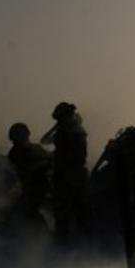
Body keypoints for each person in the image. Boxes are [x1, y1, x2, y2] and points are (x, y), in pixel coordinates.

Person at [47, 102, 92, 245]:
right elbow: (47, 141)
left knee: (70, 212)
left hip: (71, 176)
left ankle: (70, 244)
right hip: (69, 175)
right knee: (70, 213)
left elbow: (74, 156)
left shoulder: (73, 132)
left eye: (60, 118)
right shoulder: (68, 129)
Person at [7, 122, 51, 222]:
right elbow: (23, 170)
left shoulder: (34, 148)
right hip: (32, 187)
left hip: (40, 186)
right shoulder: (16, 152)